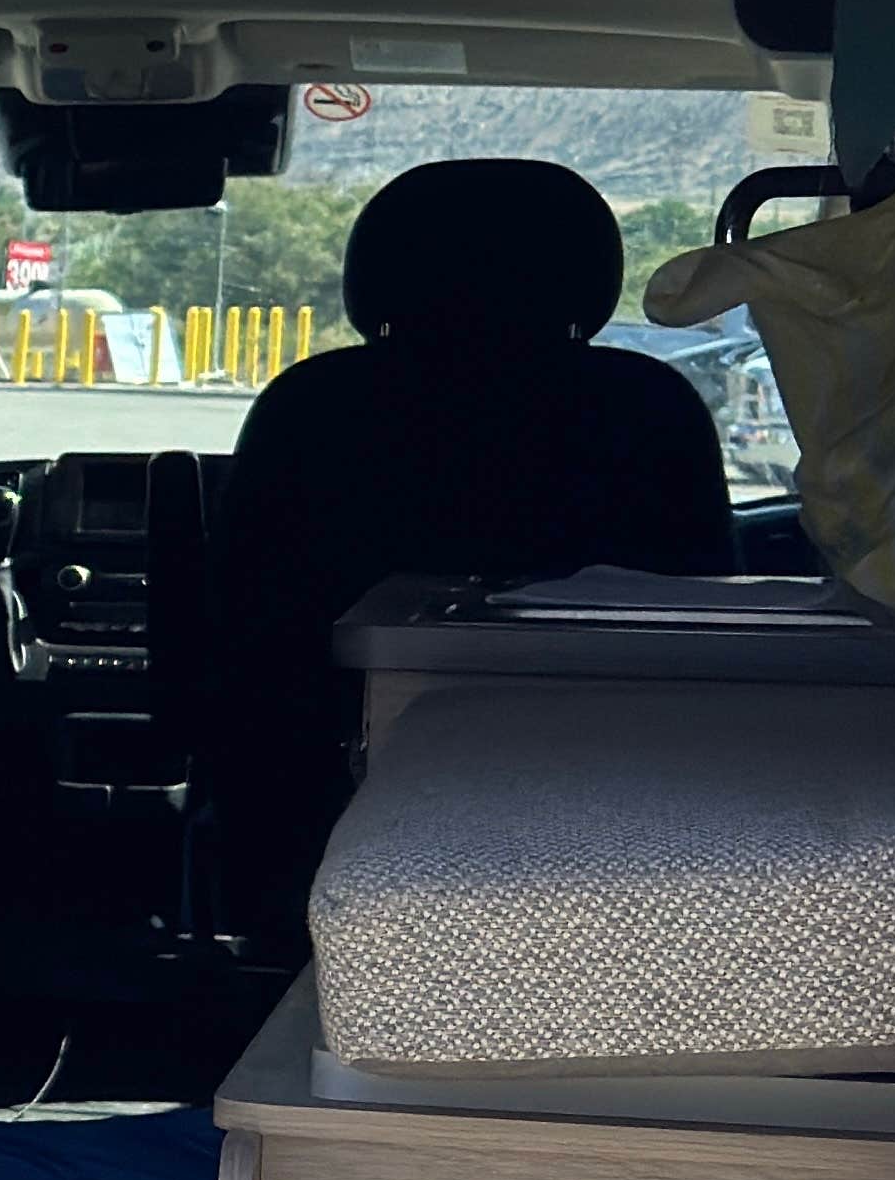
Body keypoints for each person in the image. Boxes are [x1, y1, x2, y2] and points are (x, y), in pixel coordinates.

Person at [204, 154, 739, 922]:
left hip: (326, 805)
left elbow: (241, 651)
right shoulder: (647, 413)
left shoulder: (312, 414)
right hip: (618, 807)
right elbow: (707, 618)